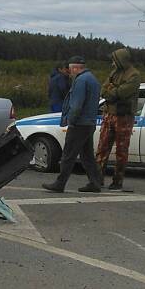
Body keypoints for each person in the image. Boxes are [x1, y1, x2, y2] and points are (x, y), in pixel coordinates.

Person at [42, 56, 102, 193]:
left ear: (75, 68)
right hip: (89, 122)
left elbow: (76, 104)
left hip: (79, 123)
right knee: (87, 155)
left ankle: (60, 183)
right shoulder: (93, 79)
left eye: (70, 69)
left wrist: (71, 120)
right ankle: (95, 182)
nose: (70, 72)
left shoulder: (81, 80)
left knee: (68, 154)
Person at [97, 48, 141, 190]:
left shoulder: (134, 75)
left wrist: (112, 90)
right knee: (102, 148)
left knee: (121, 151)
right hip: (109, 114)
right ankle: (97, 178)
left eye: (114, 59)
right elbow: (103, 90)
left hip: (124, 117)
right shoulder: (114, 73)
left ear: (120, 59)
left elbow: (122, 93)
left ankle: (117, 180)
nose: (112, 62)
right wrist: (112, 90)